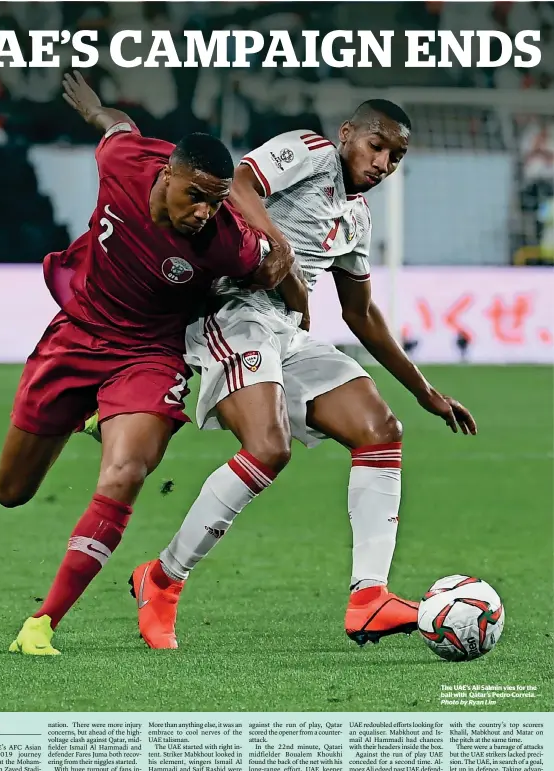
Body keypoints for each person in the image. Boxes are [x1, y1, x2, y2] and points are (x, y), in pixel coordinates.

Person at [124, 100, 477, 649]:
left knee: (381, 431)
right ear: (347, 135)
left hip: (285, 329)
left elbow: (360, 314)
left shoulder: (357, 218)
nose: (383, 163)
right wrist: (281, 247)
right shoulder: (310, 152)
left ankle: (369, 598)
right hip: (232, 313)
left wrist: (425, 391)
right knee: (268, 448)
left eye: (397, 156)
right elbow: (240, 183)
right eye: (376, 146)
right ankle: (162, 580)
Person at [1, 71, 293, 656]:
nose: (203, 213)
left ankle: (42, 624)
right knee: (12, 491)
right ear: (167, 175)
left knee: (127, 472)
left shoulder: (225, 242)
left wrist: (282, 262)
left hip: (150, 355)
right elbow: (118, 128)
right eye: (195, 197)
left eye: (216, 201)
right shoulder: (126, 162)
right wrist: (95, 111)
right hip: (77, 337)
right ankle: (88, 414)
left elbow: (275, 265)